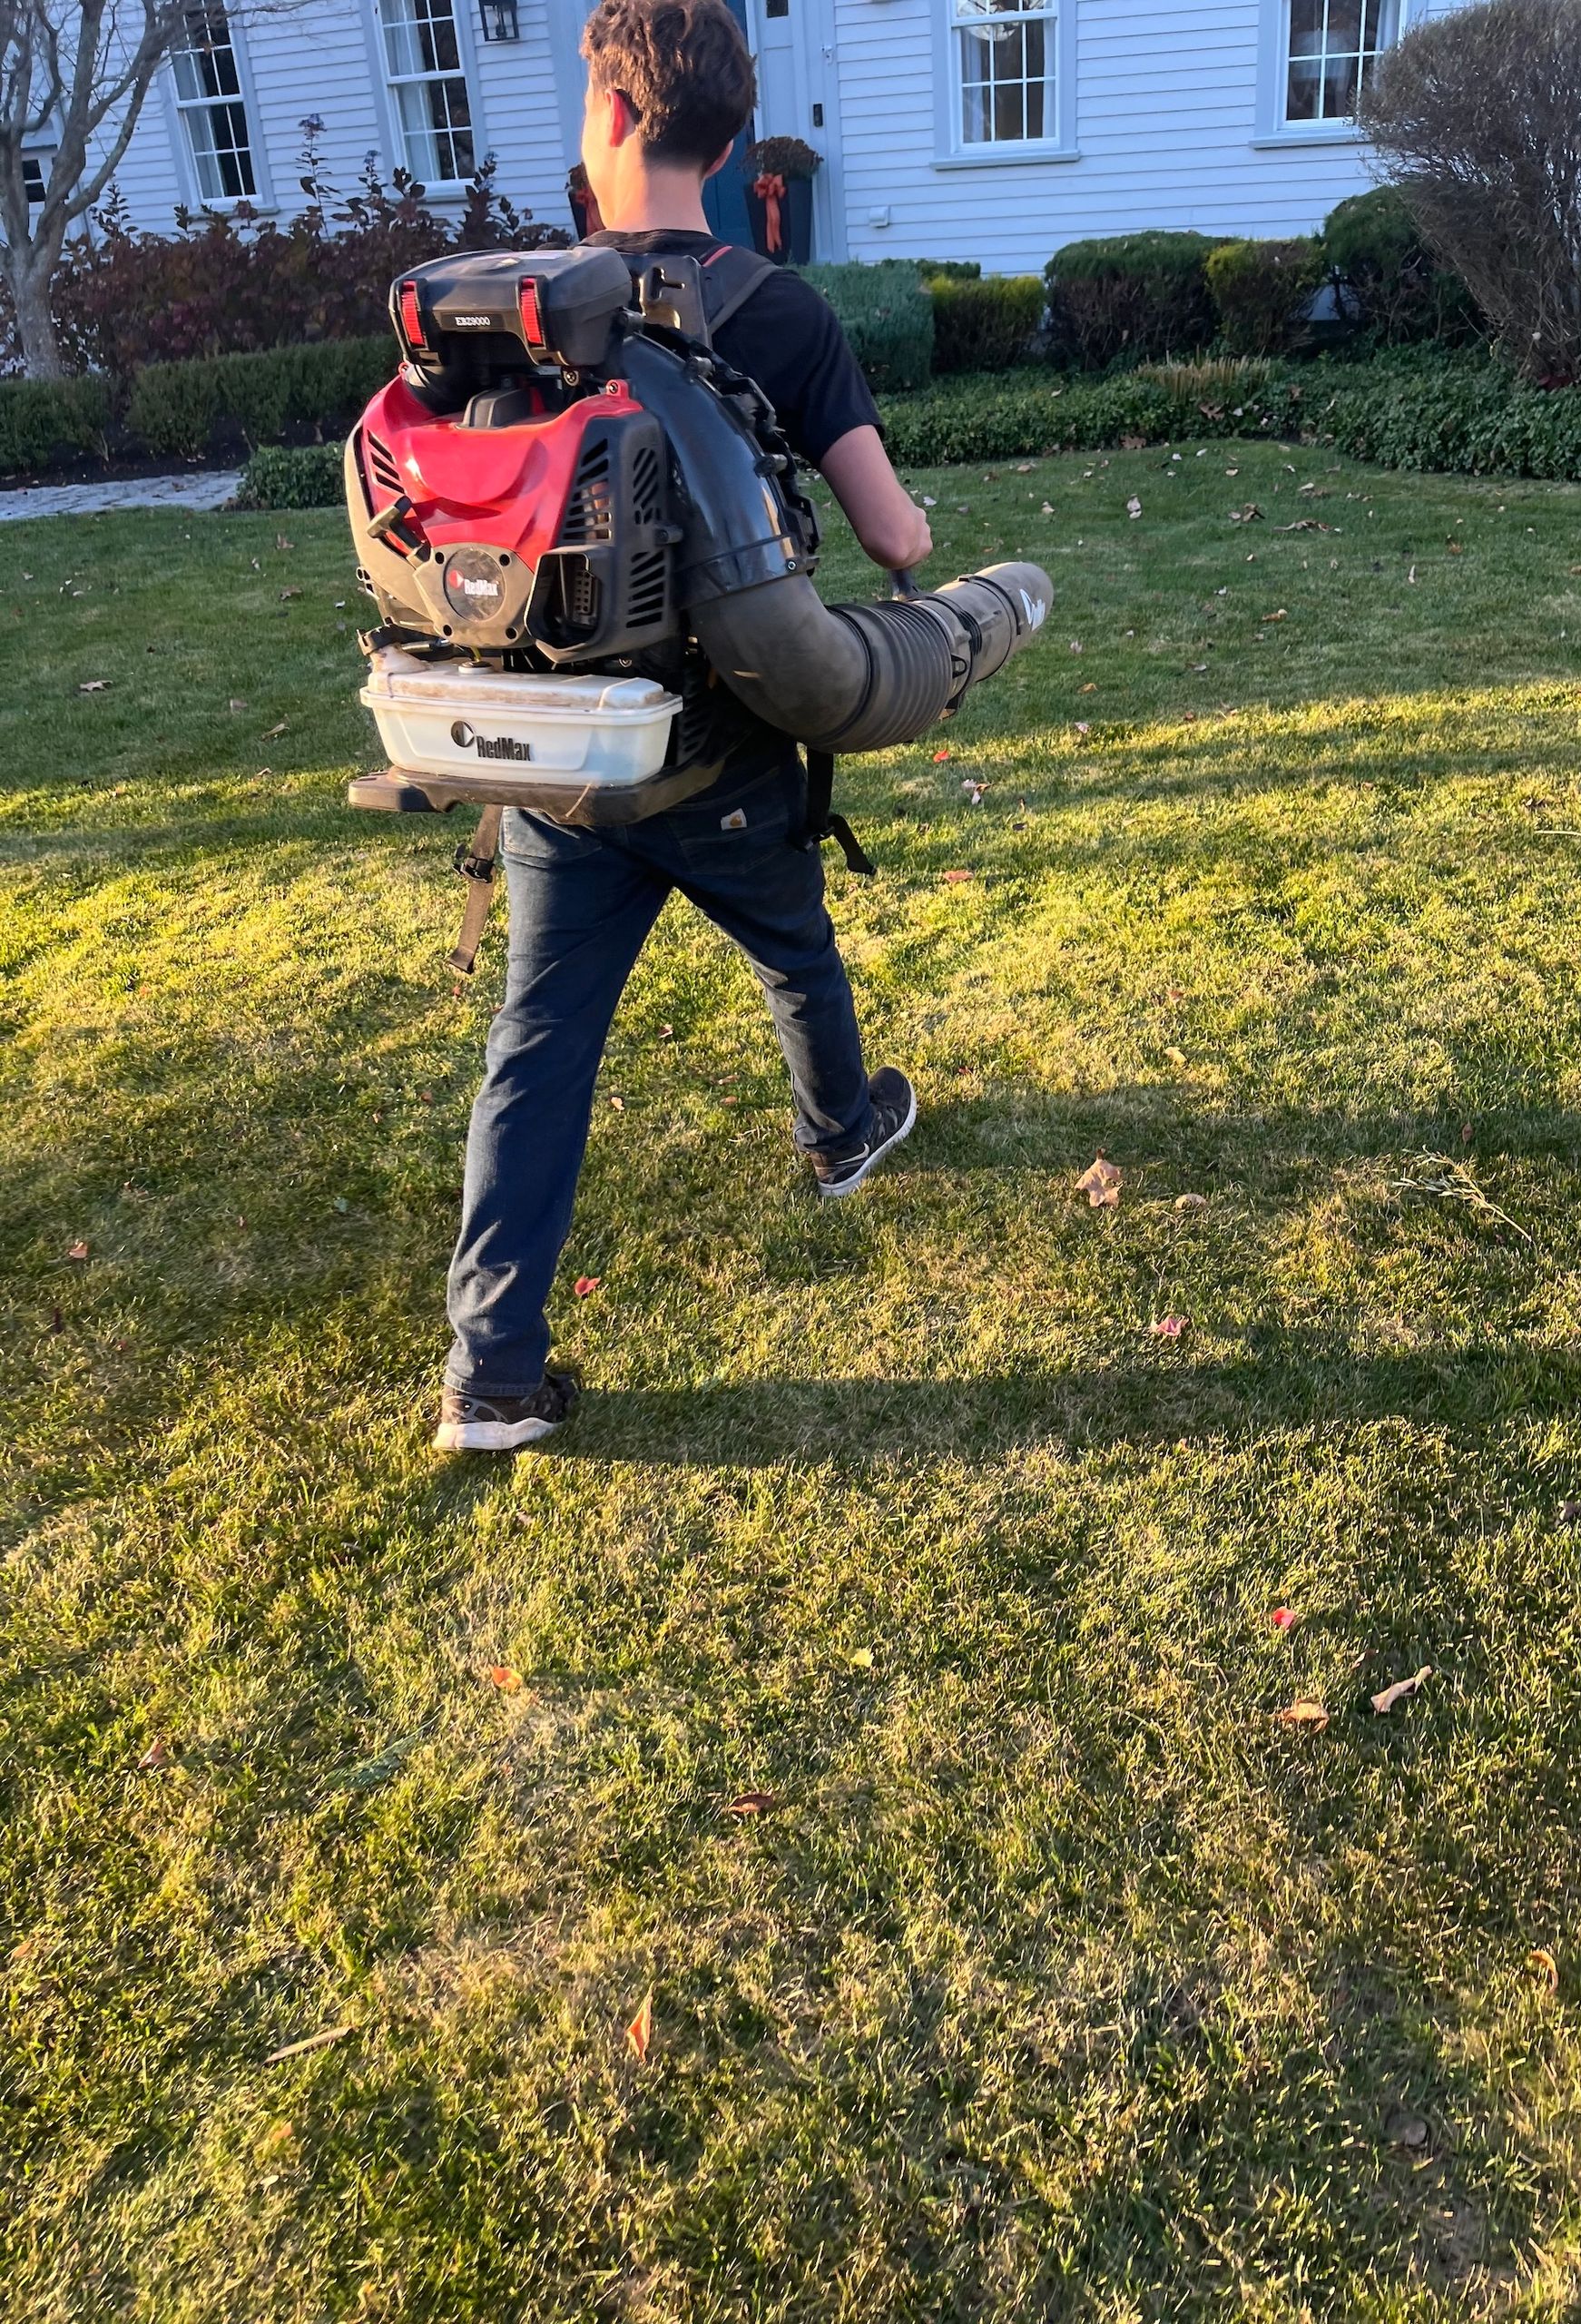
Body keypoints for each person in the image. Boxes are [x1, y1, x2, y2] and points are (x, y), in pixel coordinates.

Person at [436, 0, 934, 1454]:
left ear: (603, 117)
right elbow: (892, 531)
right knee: (795, 947)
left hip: (564, 765)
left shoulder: (522, 309)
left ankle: (493, 1375)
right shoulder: (775, 308)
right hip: (722, 755)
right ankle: (844, 1134)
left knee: (536, 1042)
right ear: (728, 143)